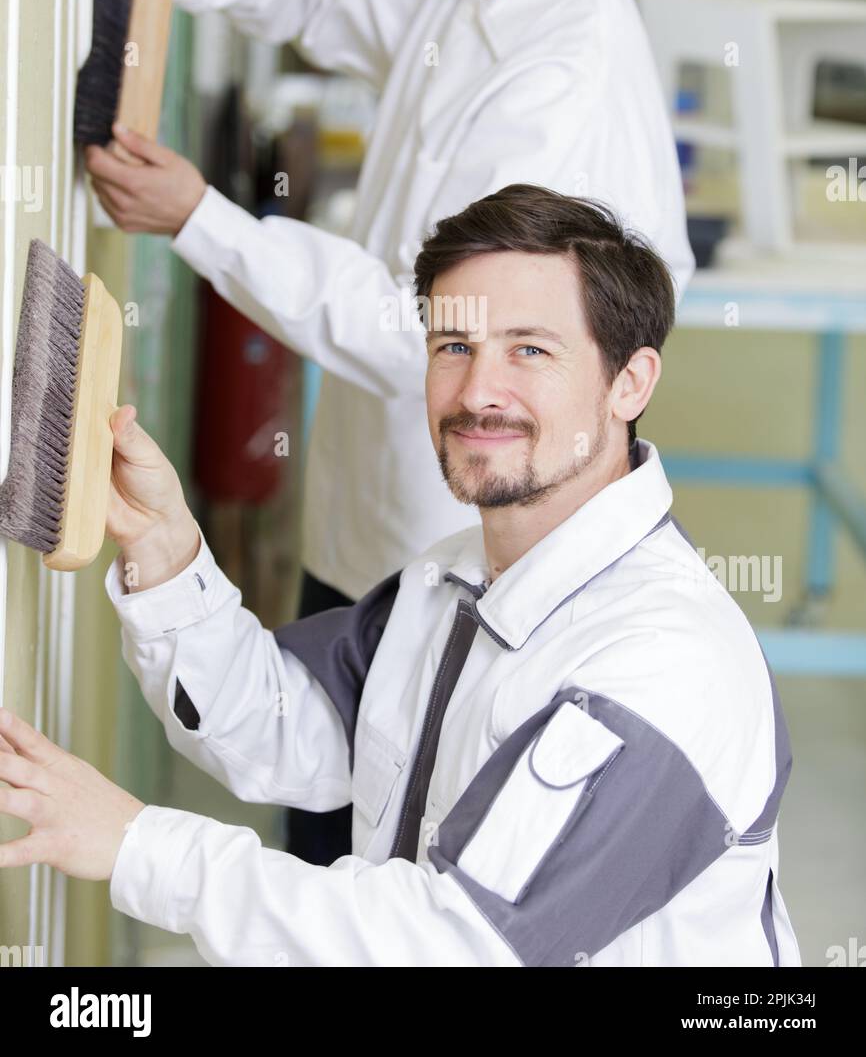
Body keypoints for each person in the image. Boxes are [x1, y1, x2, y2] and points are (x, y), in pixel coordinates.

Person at [85, 0, 694, 864]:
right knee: (319, 797)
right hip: (365, 523)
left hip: (458, 536)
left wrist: (203, 220)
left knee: (385, 864)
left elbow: (435, 331)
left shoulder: (567, 78)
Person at [0, 187, 798, 967]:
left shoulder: (662, 662)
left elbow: (457, 945)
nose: (478, 392)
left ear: (632, 381)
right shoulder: (452, 578)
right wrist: (165, 545)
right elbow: (288, 729)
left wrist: (142, 848)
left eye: (530, 349)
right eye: (454, 346)